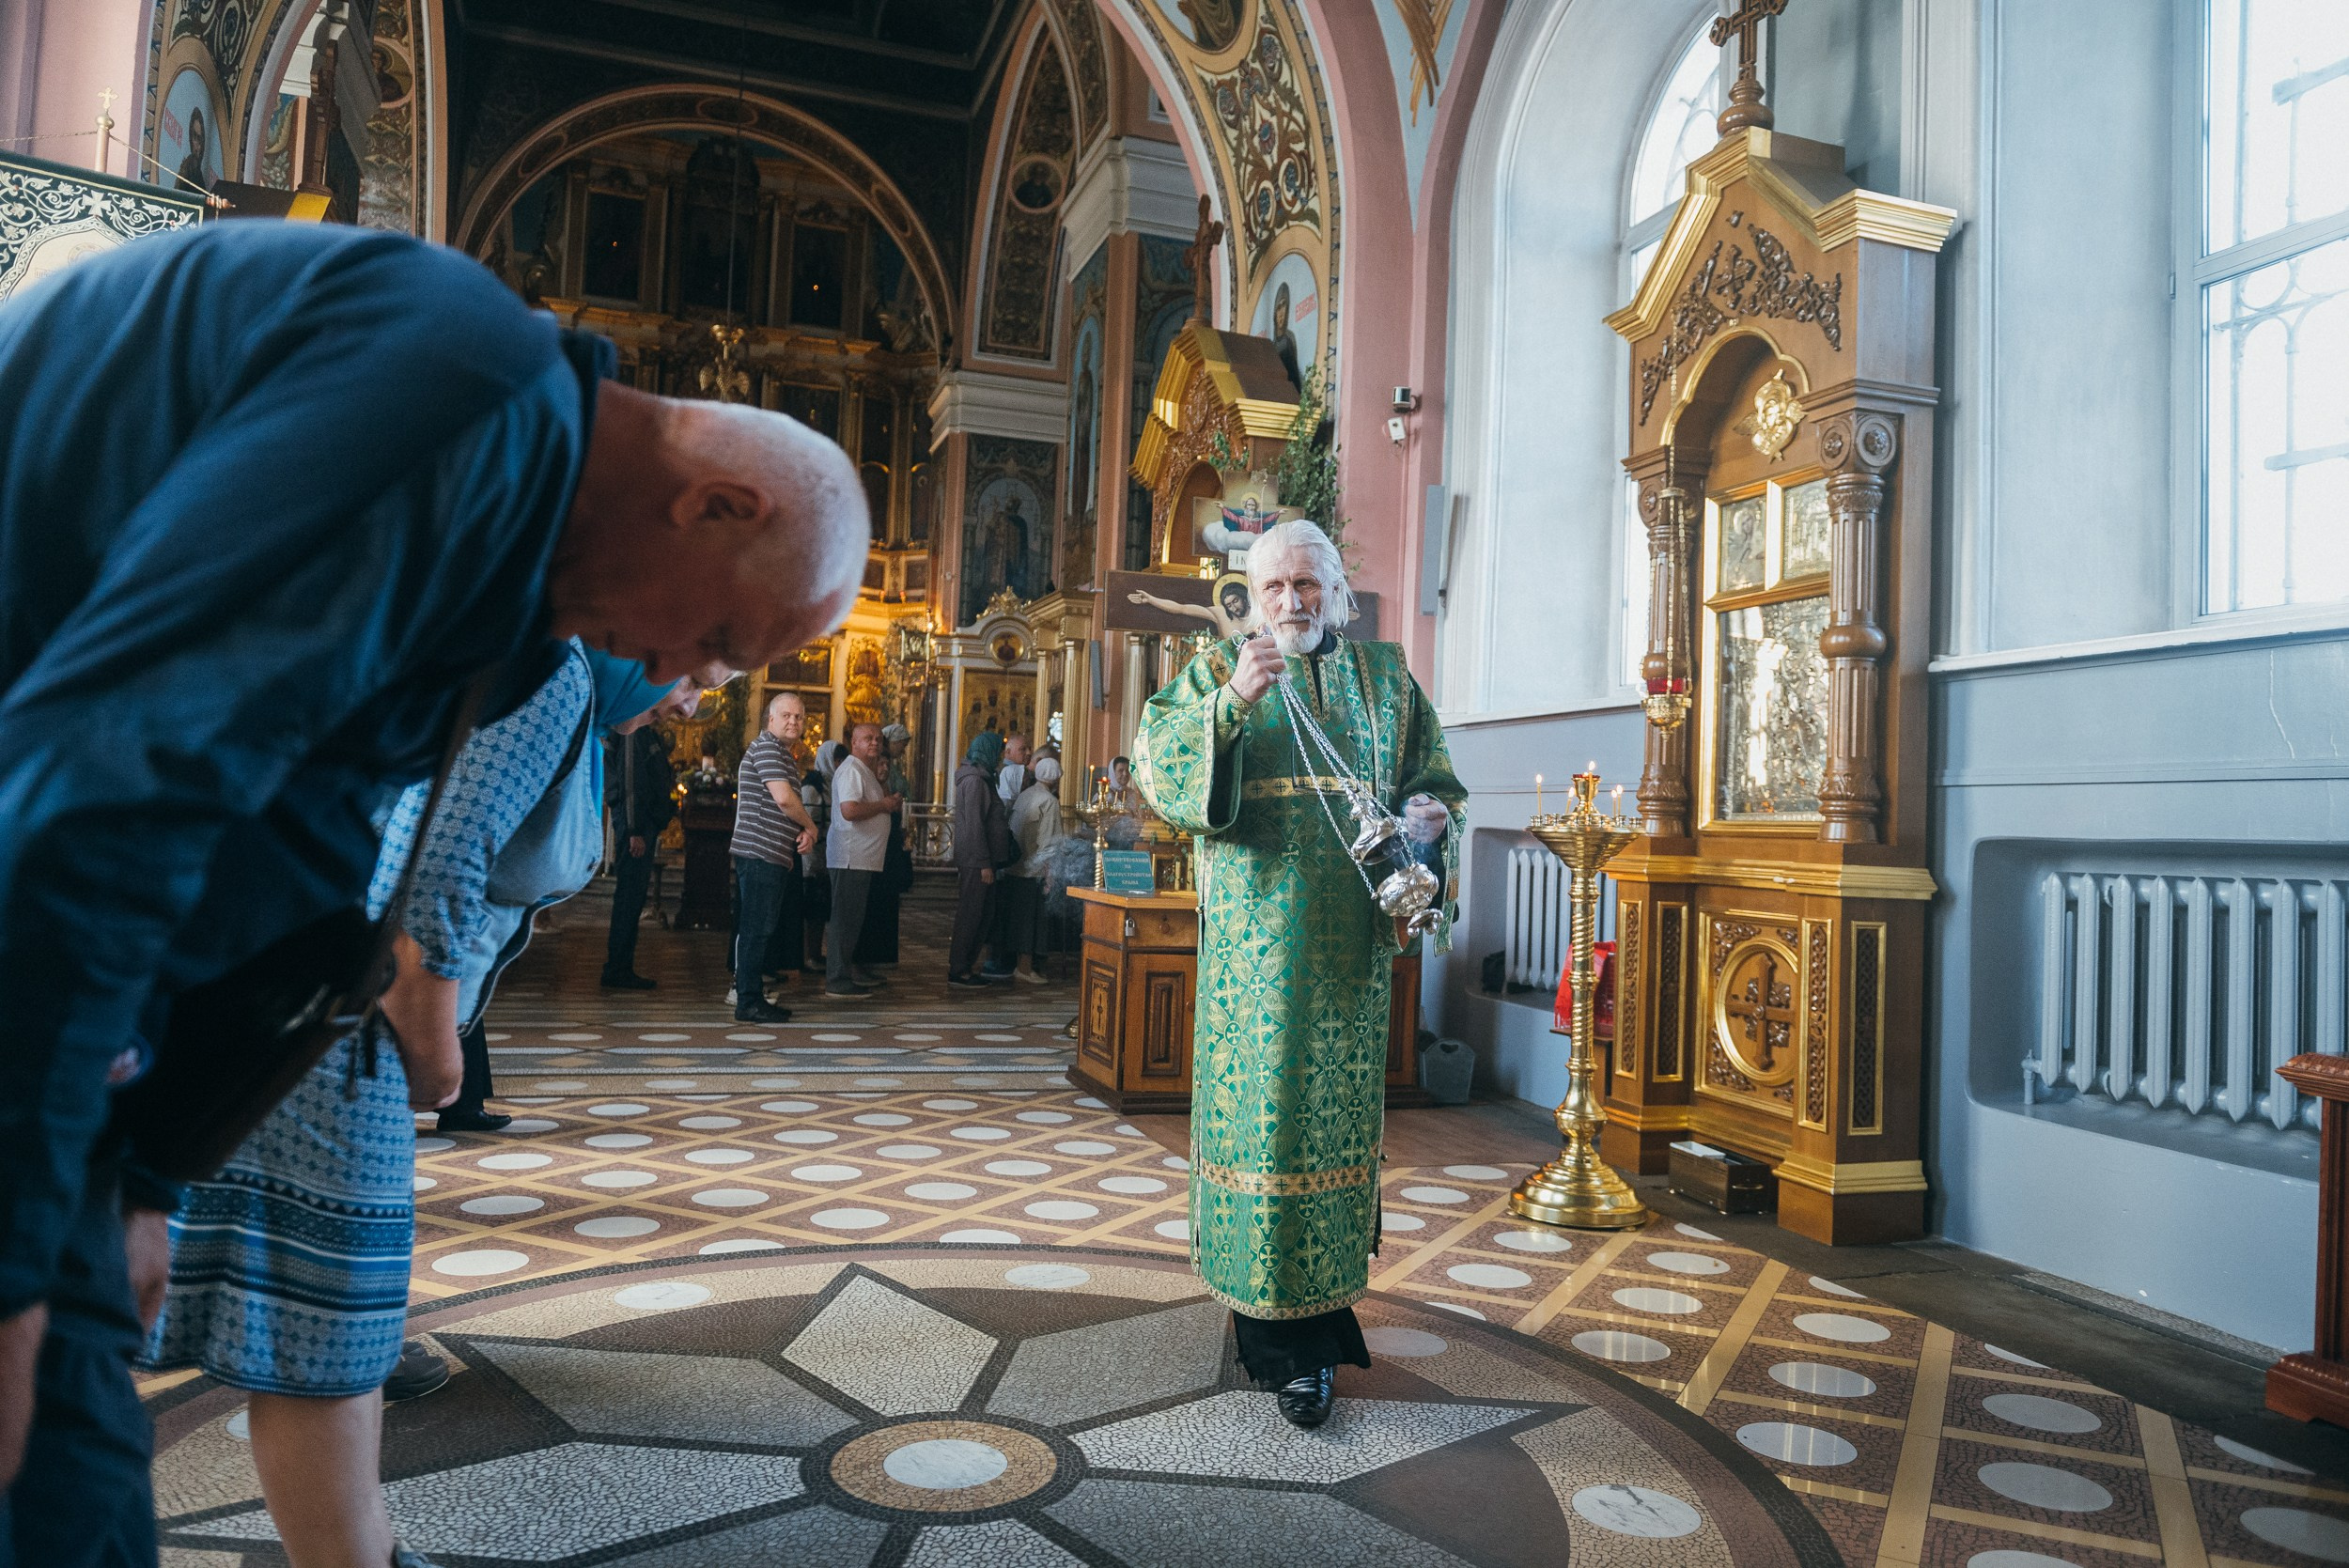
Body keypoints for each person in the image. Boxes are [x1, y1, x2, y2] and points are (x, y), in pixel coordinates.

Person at [0, 220, 865, 1559]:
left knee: (72, 1490)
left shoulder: (501, 590)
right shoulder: (456, 399)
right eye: (717, 638)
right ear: (717, 502)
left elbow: (283, 856)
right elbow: (112, 784)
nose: (687, 676)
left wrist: (142, 1175)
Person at [141, 646, 696, 1568]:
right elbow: (434, 853)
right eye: (702, 649)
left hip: (338, 1009)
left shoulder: (571, 692)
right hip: (346, 1022)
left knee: (325, 1333)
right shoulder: (552, 670)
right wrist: (435, 1046)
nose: (704, 687)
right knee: (326, 1341)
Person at [1137, 519, 1464, 1431]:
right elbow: (1156, 765)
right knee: (1264, 1141)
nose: (1292, 603)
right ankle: (1285, 1343)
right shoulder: (1217, 669)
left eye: (1308, 586)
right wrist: (1230, 706)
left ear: (1339, 593)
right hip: (1253, 970)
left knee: (1326, 1146)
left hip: (1345, 969)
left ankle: (1310, 1331)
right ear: (1250, 594)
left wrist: (1433, 821)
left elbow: (1432, 781)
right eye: (1275, 586)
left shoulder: (1385, 682)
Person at [731, 693, 818, 1023]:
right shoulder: (767, 747)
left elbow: (781, 807)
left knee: (761, 927)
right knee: (755, 927)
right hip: (758, 852)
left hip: (770, 852)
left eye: (799, 716)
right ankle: (747, 1001)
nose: (794, 721)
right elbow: (784, 800)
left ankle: (751, 995)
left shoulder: (780, 753)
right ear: (770, 719)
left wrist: (796, 838)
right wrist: (810, 826)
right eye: (786, 715)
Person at [601, 694, 681, 990]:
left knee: (632, 898)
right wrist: (635, 829)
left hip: (641, 824)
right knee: (629, 898)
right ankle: (617, 968)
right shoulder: (634, 731)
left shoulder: (641, 731)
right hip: (636, 826)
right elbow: (631, 780)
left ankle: (621, 966)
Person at [824, 723, 902, 999]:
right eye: (867, 738)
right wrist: (883, 806)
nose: (875, 743)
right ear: (854, 742)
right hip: (850, 856)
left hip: (861, 857)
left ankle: (844, 973)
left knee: (851, 920)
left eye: (878, 739)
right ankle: (837, 979)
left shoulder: (864, 771)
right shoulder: (852, 769)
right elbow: (850, 810)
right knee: (845, 920)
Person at [947, 733, 1015, 987]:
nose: (999, 757)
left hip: (981, 859)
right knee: (972, 914)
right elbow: (975, 825)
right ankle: (959, 969)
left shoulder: (981, 778)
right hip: (977, 860)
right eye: (997, 752)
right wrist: (984, 862)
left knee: (982, 915)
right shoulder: (975, 781)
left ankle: (965, 966)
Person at [854, 723, 915, 968]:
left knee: (884, 911)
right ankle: (861, 963)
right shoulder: (863, 781)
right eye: (880, 763)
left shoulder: (887, 786)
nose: (885, 768)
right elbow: (853, 812)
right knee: (867, 912)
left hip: (885, 858)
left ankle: (877, 960)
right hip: (867, 855)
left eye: (887, 765)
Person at [1003, 754, 1065, 985]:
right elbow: (1050, 841)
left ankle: (1021, 965)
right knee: (1030, 922)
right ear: (1056, 779)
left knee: (1019, 920)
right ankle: (1025, 968)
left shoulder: (1025, 795)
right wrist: (1051, 873)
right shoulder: (1049, 801)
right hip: (1034, 871)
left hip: (1015, 867)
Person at [997, 731, 1032, 805]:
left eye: (1030, 748)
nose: (1029, 753)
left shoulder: (1027, 772)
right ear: (1008, 751)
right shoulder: (1000, 772)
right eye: (1023, 749)